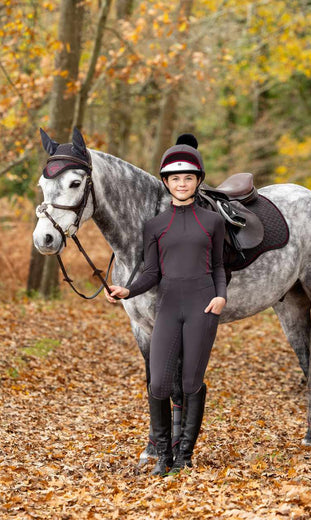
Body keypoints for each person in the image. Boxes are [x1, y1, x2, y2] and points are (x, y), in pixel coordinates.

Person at [104, 134, 227, 476]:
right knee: (158, 383)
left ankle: (183, 456)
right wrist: (127, 291)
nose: (182, 183)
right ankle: (162, 455)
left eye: (188, 178)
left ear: (197, 181)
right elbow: (152, 272)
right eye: (176, 178)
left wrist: (221, 296)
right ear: (166, 183)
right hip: (169, 307)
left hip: (203, 307)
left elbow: (218, 266)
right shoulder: (154, 226)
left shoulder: (213, 222)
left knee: (190, 383)